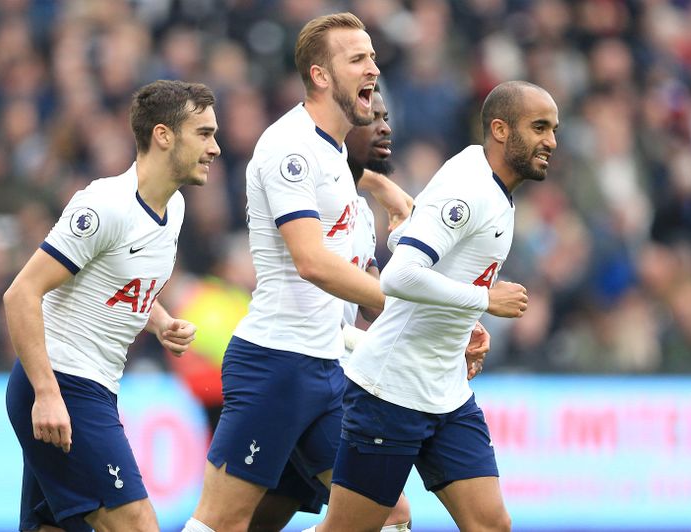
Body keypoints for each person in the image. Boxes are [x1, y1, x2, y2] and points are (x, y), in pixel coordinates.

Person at [184, 12, 410, 532]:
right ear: (321, 76)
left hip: (328, 368)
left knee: (385, 515)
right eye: (357, 59)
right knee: (222, 522)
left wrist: (441, 319)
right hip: (276, 365)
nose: (372, 68)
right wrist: (411, 304)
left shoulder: (337, 158)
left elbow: (361, 276)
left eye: (372, 56)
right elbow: (311, 262)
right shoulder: (289, 146)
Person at [309, 80, 559, 532]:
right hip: (391, 393)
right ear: (500, 130)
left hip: (446, 393)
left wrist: (465, 322)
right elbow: (399, 275)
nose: (551, 141)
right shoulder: (471, 189)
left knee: (492, 525)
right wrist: (484, 300)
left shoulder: (481, 175)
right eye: (539, 127)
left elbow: (421, 244)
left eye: (553, 129)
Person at [3, 80, 220, 532]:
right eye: (203, 133)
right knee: (138, 523)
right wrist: (47, 394)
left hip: (93, 387)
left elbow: (121, 283)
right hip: (64, 384)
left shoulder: (173, 207)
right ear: (163, 135)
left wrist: (158, 322)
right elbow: (20, 294)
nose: (214, 148)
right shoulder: (104, 206)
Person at [248, 87, 414, 532]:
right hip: (293, 364)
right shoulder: (306, 173)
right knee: (389, 514)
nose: (384, 126)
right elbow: (314, 264)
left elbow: (371, 300)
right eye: (371, 117)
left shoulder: (359, 210)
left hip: (324, 369)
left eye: (386, 116)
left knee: (256, 521)